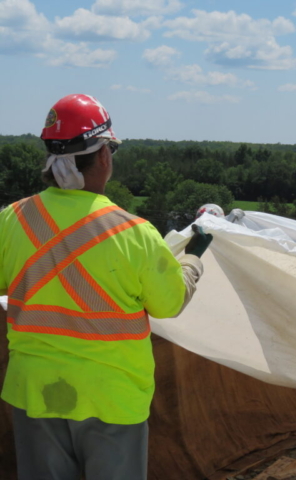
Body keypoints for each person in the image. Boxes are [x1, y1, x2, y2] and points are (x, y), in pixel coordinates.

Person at [0, 94, 212, 479]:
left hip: (35, 393)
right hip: (111, 398)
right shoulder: (134, 233)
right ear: (103, 156)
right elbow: (169, 303)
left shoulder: (11, 220)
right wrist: (193, 259)